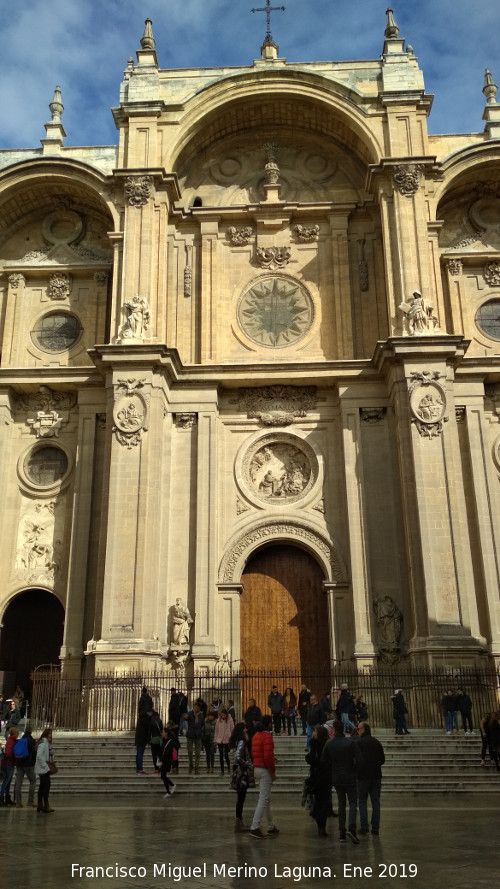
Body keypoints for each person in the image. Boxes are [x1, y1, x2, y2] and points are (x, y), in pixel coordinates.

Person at [321, 719, 361, 844]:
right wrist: (353, 769)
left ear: (334, 730)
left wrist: (333, 767)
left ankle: (342, 833)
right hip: (349, 776)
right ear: (343, 729)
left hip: (337, 777)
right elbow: (359, 759)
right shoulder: (350, 743)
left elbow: (323, 760)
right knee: (353, 803)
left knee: (341, 804)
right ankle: (352, 828)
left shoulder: (329, 743)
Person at [249, 715, 279, 838]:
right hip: (265, 769)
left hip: (257, 767)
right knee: (263, 799)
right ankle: (255, 826)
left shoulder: (256, 736)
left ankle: (270, 825)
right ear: (269, 724)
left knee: (266, 798)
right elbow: (267, 757)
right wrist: (272, 771)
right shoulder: (267, 736)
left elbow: (256, 753)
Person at [354, 722, 385, 835]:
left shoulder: (358, 743)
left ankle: (364, 826)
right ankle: (375, 827)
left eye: (358, 729)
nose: (357, 731)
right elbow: (382, 760)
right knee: (375, 802)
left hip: (362, 776)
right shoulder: (377, 743)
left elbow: (355, 760)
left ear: (363, 730)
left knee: (362, 801)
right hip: (376, 775)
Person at [305, 725, 332, 836]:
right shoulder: (328, 743)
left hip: (318, 776)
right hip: (326, 777)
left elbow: (312, 759)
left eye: (315, 732)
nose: (313, 733)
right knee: (323, 801)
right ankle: (322, 826)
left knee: (320, 801)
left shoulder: (315, 745)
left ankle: (320, 823)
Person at [230, 722, 253, 831]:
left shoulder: (239, 742)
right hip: (241, 773)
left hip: (239, 772)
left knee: (241, 798)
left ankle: (239, 821)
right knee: (241, 798)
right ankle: (238, 821)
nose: (246, 730)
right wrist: (246, 764)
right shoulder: (241, 742)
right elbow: (238, 756)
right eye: (244, 728)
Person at [13, 727, 37, 808]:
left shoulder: (20, 740)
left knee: (18, 783)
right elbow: (34, 753)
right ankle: (30, 801)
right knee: (33, 781)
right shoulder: (32, 741)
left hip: (19, 764)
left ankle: (18, 802)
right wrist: (33, 763)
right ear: (30, 733)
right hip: (28, 764)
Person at [35, 728, 55, 813]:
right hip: (43, 769)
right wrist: (45, 766)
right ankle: (45, 805)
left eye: (51, 733)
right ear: (46, 735)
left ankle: (40, 805)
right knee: (46, 786)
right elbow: (39, 756)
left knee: (42, 786)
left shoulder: (46, 744)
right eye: (49, 734)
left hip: (43, 768)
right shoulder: (43, 744)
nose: (50, 735)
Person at [159, 722, 179, 798]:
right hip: (164, 760)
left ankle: (171, 787)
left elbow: (168, 752)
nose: (161, 733)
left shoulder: (170, 741)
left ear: (166, 733)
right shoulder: (164, 740)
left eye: (163, 732)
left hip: (167, 761)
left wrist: (162, 758)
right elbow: (162, 750)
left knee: (163, 776)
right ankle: (169, 789)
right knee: (163, 776)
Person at [0, 726, 19, 806]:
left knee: (8, 782)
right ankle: (1, 798)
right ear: (14, 733)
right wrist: (13, 758)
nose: (18, 734)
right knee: (6, 782)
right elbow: (8, 753)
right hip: (8, 764)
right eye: (17, 732)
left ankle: (7, 798)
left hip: (8, 764)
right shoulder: (11, 741)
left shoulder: (12, 740)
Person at [214, 707, 234, 775]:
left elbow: (232, 729)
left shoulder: (230, 720)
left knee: (226, 755)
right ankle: (222, 770)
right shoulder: (218, 721)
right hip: (220, 740)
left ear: (226, 715)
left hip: (227, 740)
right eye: (222, 715)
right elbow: (216, 731)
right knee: (221, 756)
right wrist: (215, 740)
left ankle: (228, 767)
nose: (223, 716)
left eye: (224, 715)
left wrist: (231, 739)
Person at [185, 702, 204, 775]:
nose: (196, 709)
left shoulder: (201, 715)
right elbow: (185, 718)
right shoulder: (190, 713)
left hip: (198, 735)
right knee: (190, 751)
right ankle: (191, 765)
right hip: (190, 735)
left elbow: (202, 724)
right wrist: (185, 717)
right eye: (195, 707)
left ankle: (196, 768)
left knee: (197, 753)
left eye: (198, 708)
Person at [134, 707, 151, 774]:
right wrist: (148, 740)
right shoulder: (146, 719)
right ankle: (139, 769)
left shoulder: (140, 718)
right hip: (142, 739)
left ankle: (138, 768)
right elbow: (148, 730)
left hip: (138, 738)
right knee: (140, 754)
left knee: (138, 753)